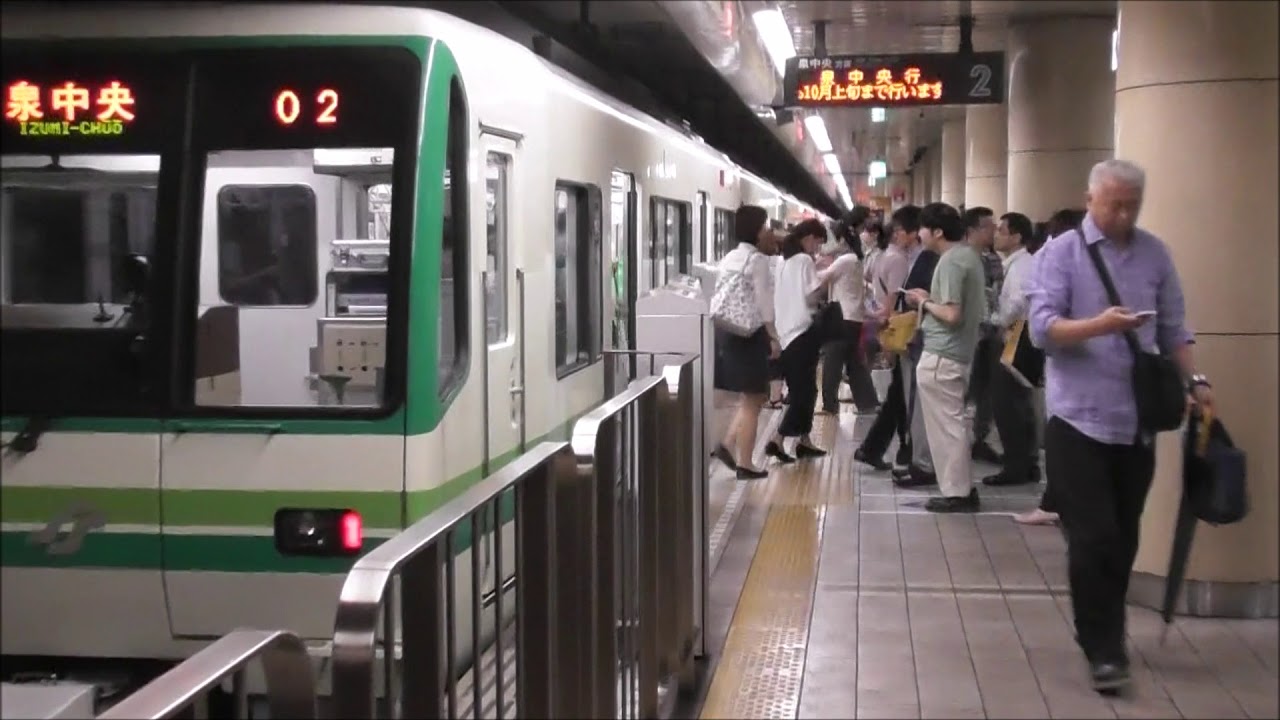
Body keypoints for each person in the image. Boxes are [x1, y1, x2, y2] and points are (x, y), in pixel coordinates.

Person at [1025, 159, 1212, 691]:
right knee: (1093, 535)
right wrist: (1099, 326)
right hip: (1076, 421)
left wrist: (1195, 380)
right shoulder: (1061, 254)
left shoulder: (1154, 254)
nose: (1123, 213)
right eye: (1114, 204)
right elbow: (1042, 331)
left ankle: (1108, 632)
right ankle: (1104, 647)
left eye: (1132, 204)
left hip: (1138, 424)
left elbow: (1175, 326)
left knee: (1124, 537)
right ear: (1091, 200)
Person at [903, 202, 987, 512]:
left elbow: (952, 313)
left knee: (947, 429)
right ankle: (961, 488)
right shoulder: (970, 257)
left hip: (942, 355)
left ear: (937, 231)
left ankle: (958, 493)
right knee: (954, 425)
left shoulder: (951, 262)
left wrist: (923, 302)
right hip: (960, 353)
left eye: (922, 228)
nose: (919, 234)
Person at [1015, 207, 1086, 526]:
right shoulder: (1077, 262)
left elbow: (1040, 321)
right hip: (1070, 367)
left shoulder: (1054, 260)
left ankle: (1056, 502)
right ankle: (1057, 500)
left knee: (1061, 436)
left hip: (1071, 373)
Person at [855, 205, 938, 473]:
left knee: (898, 395)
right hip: (906, 331)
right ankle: (902, 449)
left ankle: (874, 448)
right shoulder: (905, 258)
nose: (896, 235)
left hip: (903, 331)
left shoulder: (904, 257)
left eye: (901, 230)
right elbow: (896, 298)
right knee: (903, 394)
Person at [711, 205, 783, 479]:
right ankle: (745, 463)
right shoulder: (757, 261)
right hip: (749, 333)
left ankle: (728, 444)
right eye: (765, 227)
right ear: (756, 230)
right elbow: (765, 304)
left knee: (749, 397)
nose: (769, 232)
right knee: (755, 398)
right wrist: (773, 336)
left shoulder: (730, 256)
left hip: (728, 331)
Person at [764, 219, 832, 462]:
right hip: (803, 332)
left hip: (785, 333)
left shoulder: (782, 260)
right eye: (818, 242)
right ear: (809, 237)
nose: (817, 248)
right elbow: (812, 297)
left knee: (801, 389)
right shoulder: (804, 260)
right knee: (805, 392)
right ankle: (778, 439)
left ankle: (804, 441)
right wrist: (828, 279)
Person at [981, 211, 1041, 487]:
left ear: (1017, 236)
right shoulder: (1016, 264)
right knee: (1016, 404)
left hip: (1013, 339)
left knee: (1007, 404)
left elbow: (1016, 303)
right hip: (1015, 337)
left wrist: (995, 320)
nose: (996, 235)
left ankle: (1016, 466)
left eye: (1002, 230)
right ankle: (1025, 463)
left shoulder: (1022, 266)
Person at [817, 212, 880, 414]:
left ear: (842, 239)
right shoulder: (856, 259)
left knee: (832, 362)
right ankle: (868, 403)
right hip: (853, 318)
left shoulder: (844, 260)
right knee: (854, 362)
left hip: (841, 317)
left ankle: (829, 405)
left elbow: (821, 279)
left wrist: (813, 264)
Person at [963, 206, 1004, 464]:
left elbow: (997, 295)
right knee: (963, 389)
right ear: (972, 230)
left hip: (991, 332)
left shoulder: (993, 260)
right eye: (988, 226)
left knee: (986, 388)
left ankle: (981, 438)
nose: (994, 231)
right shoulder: (960, 259)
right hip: (968, 335)